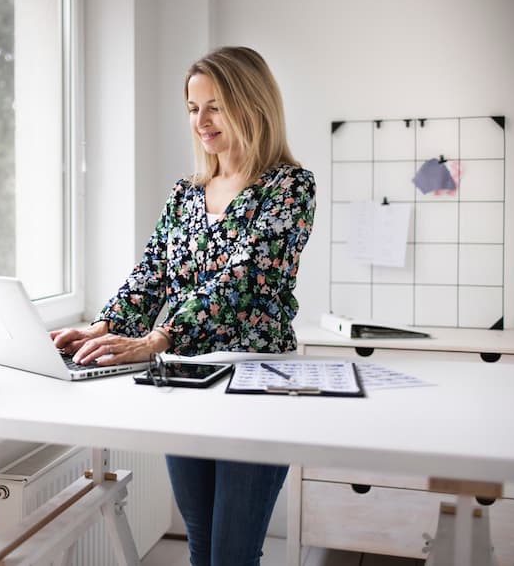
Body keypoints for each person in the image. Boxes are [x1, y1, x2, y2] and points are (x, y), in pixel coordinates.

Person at [51, 45, 316, 566]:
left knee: (232, 555)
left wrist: (158, 338)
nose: (201, 121)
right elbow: (152, 273)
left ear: (253, 104)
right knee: (199, 545)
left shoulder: (289, 186)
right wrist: (102, 325)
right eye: (193, 108)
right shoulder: (185, 193)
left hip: (256, 385)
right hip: (186, 381)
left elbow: (245, 280)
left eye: (215, 106)